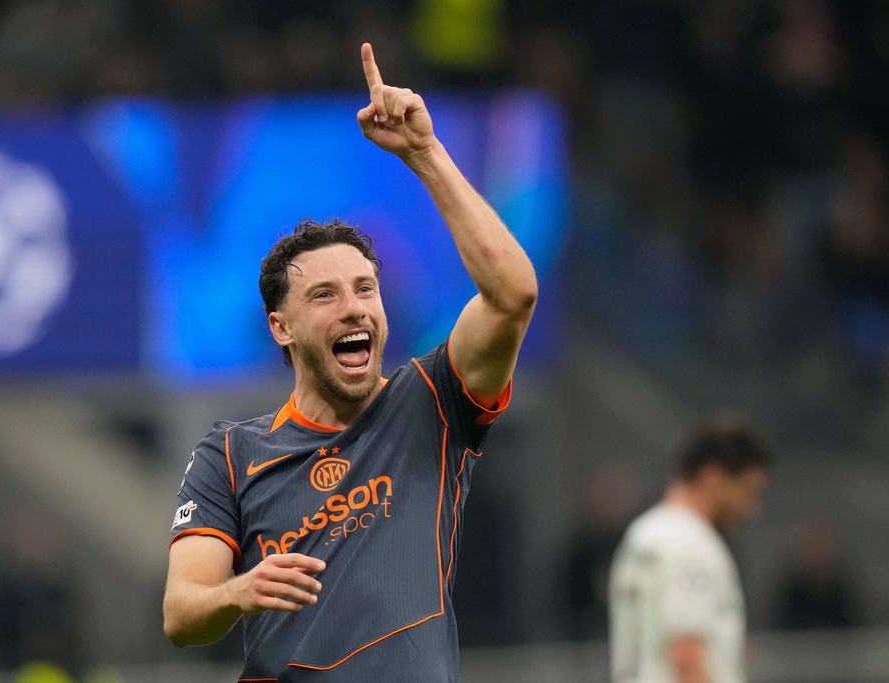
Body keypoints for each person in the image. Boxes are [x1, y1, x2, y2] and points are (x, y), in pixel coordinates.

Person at [162, 42, 538, 682]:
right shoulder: (229, 452)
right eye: (325, 295)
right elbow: (181, 614)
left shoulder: (432, 403)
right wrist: (238, 591)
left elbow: (513, 295)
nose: (354, 308)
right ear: (280, 328)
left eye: (366, 289)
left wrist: (424, 152)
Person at [608, 414, 772, 683]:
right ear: (712, 477)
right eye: (746, 490)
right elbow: (686, 656)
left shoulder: (641, 534)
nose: (751, 509)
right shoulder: (692, 543)